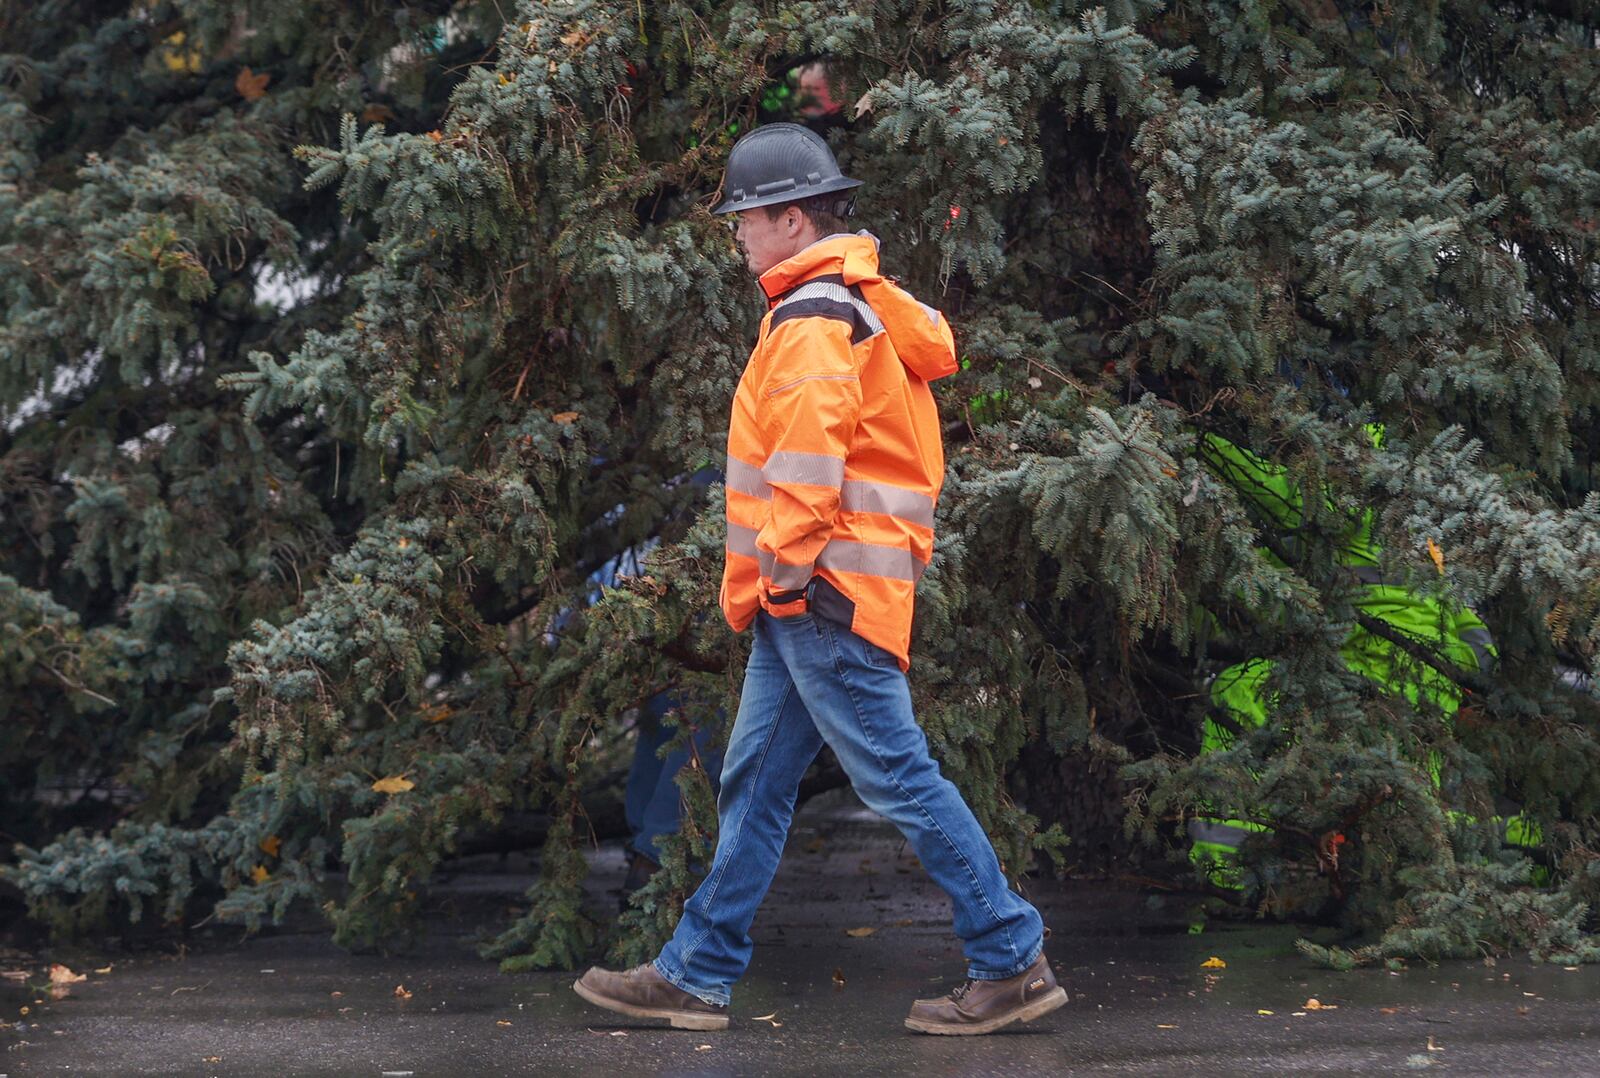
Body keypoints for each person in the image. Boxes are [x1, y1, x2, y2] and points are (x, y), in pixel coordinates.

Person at [573, 123, 1065, 1035]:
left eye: (745, 219)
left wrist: (789, 578)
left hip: (819, 595)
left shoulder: (808, 319)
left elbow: (809, 463)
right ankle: (697, 972)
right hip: (813, 595)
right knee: (755, 782)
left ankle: (1010, 956)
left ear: (792, 219)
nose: (737, 235)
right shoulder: (850, 305)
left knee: (897, 778)